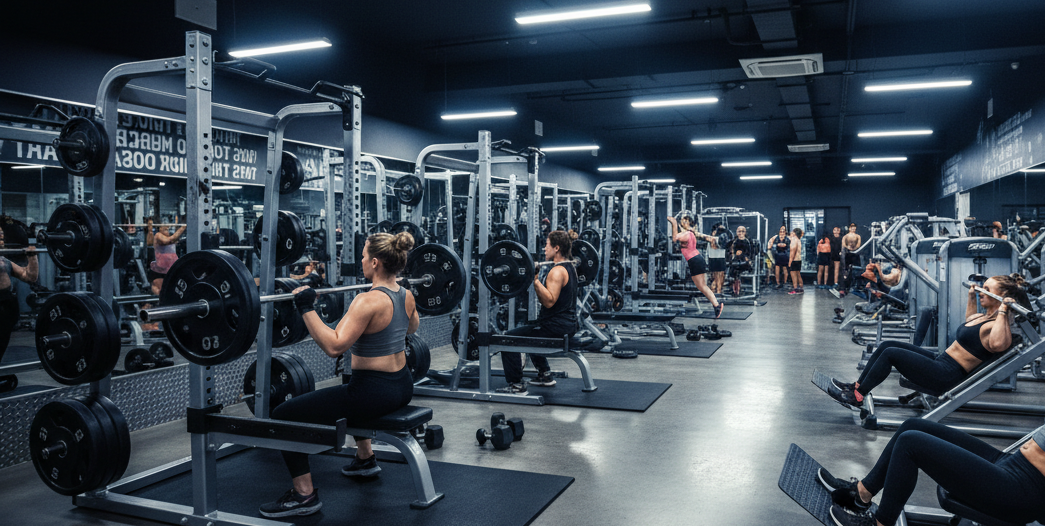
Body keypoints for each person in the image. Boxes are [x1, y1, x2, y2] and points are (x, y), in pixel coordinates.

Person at [259, 232, 419, 518]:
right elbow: (410, 329)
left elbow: (334, 346)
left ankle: (303, 495)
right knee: (349, 382)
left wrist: (306, 307)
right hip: (402, 385)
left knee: (284, 413)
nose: (360, 261)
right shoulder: (406, 295)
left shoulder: (367, 301)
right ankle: (365, 458)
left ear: (374, 262)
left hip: (372, 393)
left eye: (362, 256)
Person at [826, 274, 1029, 410]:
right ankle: (857, 385)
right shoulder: (983, 317)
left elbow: (998, 345)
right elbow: (969, 321)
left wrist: (1004, 309)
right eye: (983, 288)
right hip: (941, 360)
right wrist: (971, 296)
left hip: (946, 375)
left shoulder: (997, 325)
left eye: (987, 289)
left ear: (1001, 297)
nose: (982, 292)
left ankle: (858, 396)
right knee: (887, 345)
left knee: (891, 355)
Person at [817, 418, 1045, 526]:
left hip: (1020, 489)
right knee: (912, 426)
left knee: (910, 443)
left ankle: (879, 524)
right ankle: (861, 495)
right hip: (1009, 462)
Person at [498, 230, 579, 394]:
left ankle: (516, 384)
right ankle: (545, 374)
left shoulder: (556, 272)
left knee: (507, 338)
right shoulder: (570, 267)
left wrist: (534, 280)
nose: (544, 249)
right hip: (567, 324)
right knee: (530, 329)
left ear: (556, 248)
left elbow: (549, 301)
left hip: (555, 327)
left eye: (547, 245)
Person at [0, 227, 38, 392]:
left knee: (1, 344)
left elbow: (29, 276)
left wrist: (32, 257)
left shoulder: (5, 261)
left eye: (2, 232)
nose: (2, 234)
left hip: (6, 309)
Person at [668, 214, 723, 318]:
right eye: (683, 220)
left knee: (702, 286)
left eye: (687, 221)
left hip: (695, 261)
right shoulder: (689, 233)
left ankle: (717, 305)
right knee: (701, 286)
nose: (684, 222)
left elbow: (674, 238)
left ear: (690, 223)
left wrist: (674, 223)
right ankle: (716, 304)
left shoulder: (688, 234)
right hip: (696, 260)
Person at [726, 226, 754, 297]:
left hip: (745, 261)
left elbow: (751, 253)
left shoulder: (749, 241)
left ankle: (738, 289)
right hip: (735, 261)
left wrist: (745, 256)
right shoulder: (733, 241)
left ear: (745, 232)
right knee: (733, 269)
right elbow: (729, 251)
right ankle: (734, 289)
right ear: (736, 232)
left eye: (742, 231)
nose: (741, 233)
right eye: (739, 231)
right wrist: (734, 254)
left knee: (737, 270)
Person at [707, 223, 727, 295]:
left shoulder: (724, 237)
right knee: (715, 277)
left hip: (720, 258)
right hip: (714, 258)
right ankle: (715, 292)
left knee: (721, 276)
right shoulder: (712, 238)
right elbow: (714, 246)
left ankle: (718, 291)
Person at [788, 227, 805, 295]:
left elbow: (793, 251)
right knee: (798, 274)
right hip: (798, 260)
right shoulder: (798, 240)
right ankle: (801, 288)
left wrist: (790, 261)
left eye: (792, 232)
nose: (791, 233)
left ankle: (795, 289)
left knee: (793, 275)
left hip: (794, 260)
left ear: (794, 233)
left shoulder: (794, 240)